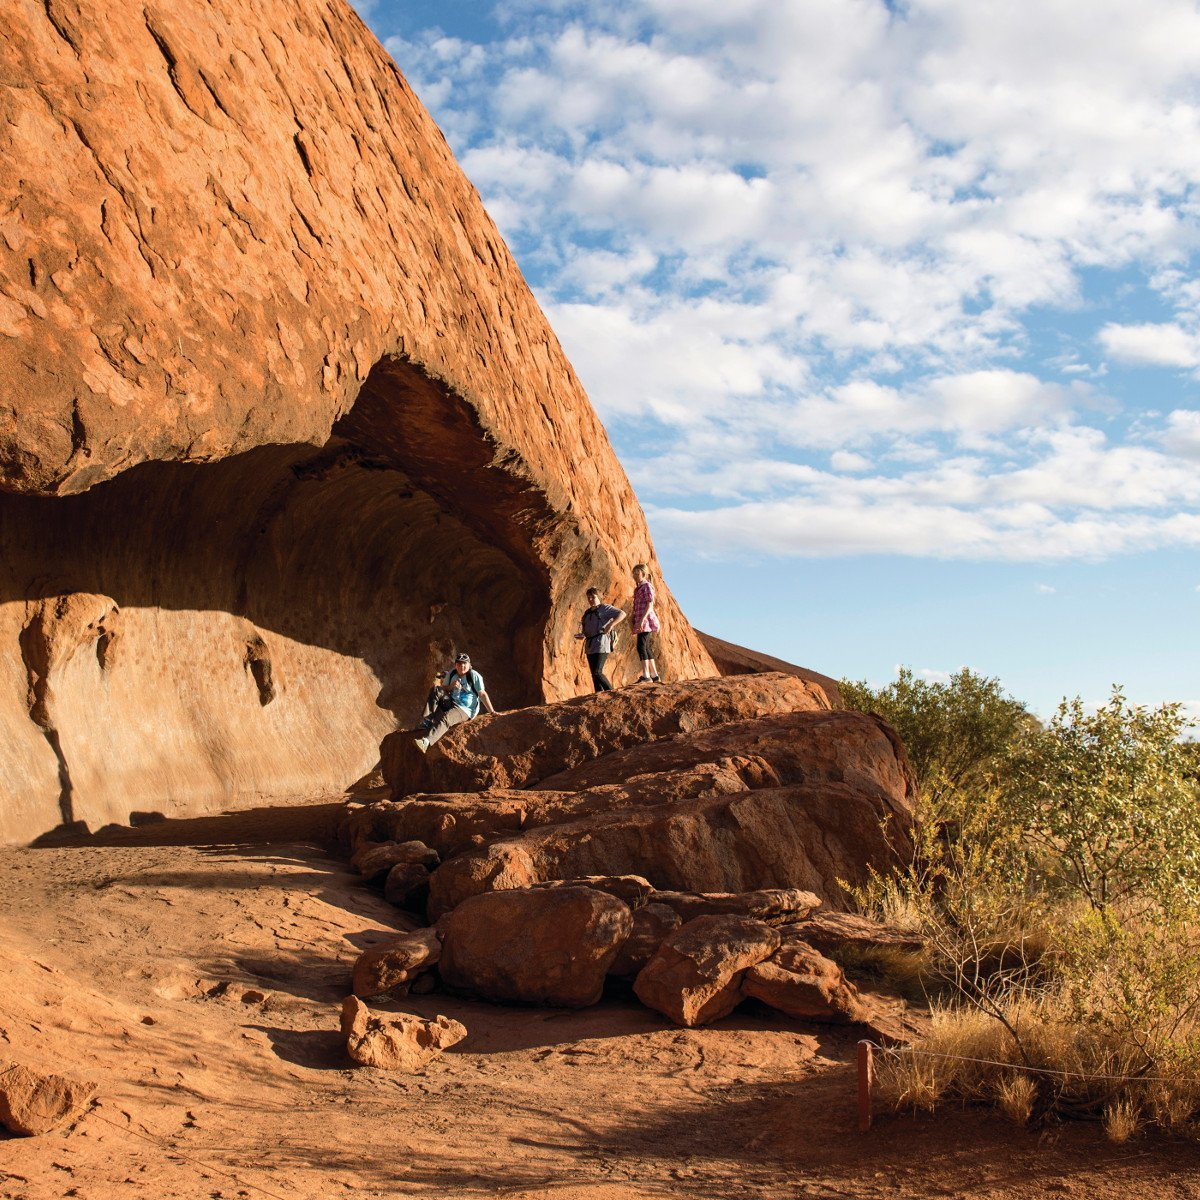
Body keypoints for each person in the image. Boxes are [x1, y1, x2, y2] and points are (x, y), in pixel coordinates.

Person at [414, 652, 496, 751]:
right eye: (459, 663)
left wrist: (492, 712)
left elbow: (482, 694)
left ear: (469, 665)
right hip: (451, 702)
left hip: (465, 709)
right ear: (455, 665)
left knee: (447, 718)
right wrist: (451, 686)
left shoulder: (474, 676)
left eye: (465, 663)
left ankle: (426, 742)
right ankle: (427, 721)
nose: (462, 666)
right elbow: (443, 689)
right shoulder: (452, 673)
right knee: (436, 689)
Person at [574, 586, 626, 692]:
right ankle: (599, 695)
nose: (590, 599)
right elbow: (586, 630)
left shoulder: (604, 608)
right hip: (590, 645)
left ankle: (612, 692)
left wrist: (611, 624)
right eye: (588, 597)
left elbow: (622, 614)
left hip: (602, 643)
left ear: (598, 597)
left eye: (593, 597)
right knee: (594, 674)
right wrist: (582, 635)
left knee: (598, 671)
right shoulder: (587, 613)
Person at [630, 563, 661, 683]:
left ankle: (646, 675)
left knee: (641, 646)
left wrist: (642, 620)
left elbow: (650, 604)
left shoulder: (647, 586)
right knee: (646, 647)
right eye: (634, 573)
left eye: (637, 573)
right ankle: (654, 675)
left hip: (646, 620)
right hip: (641, 619)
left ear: (643, 573)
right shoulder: (638, 588)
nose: (635, 575)